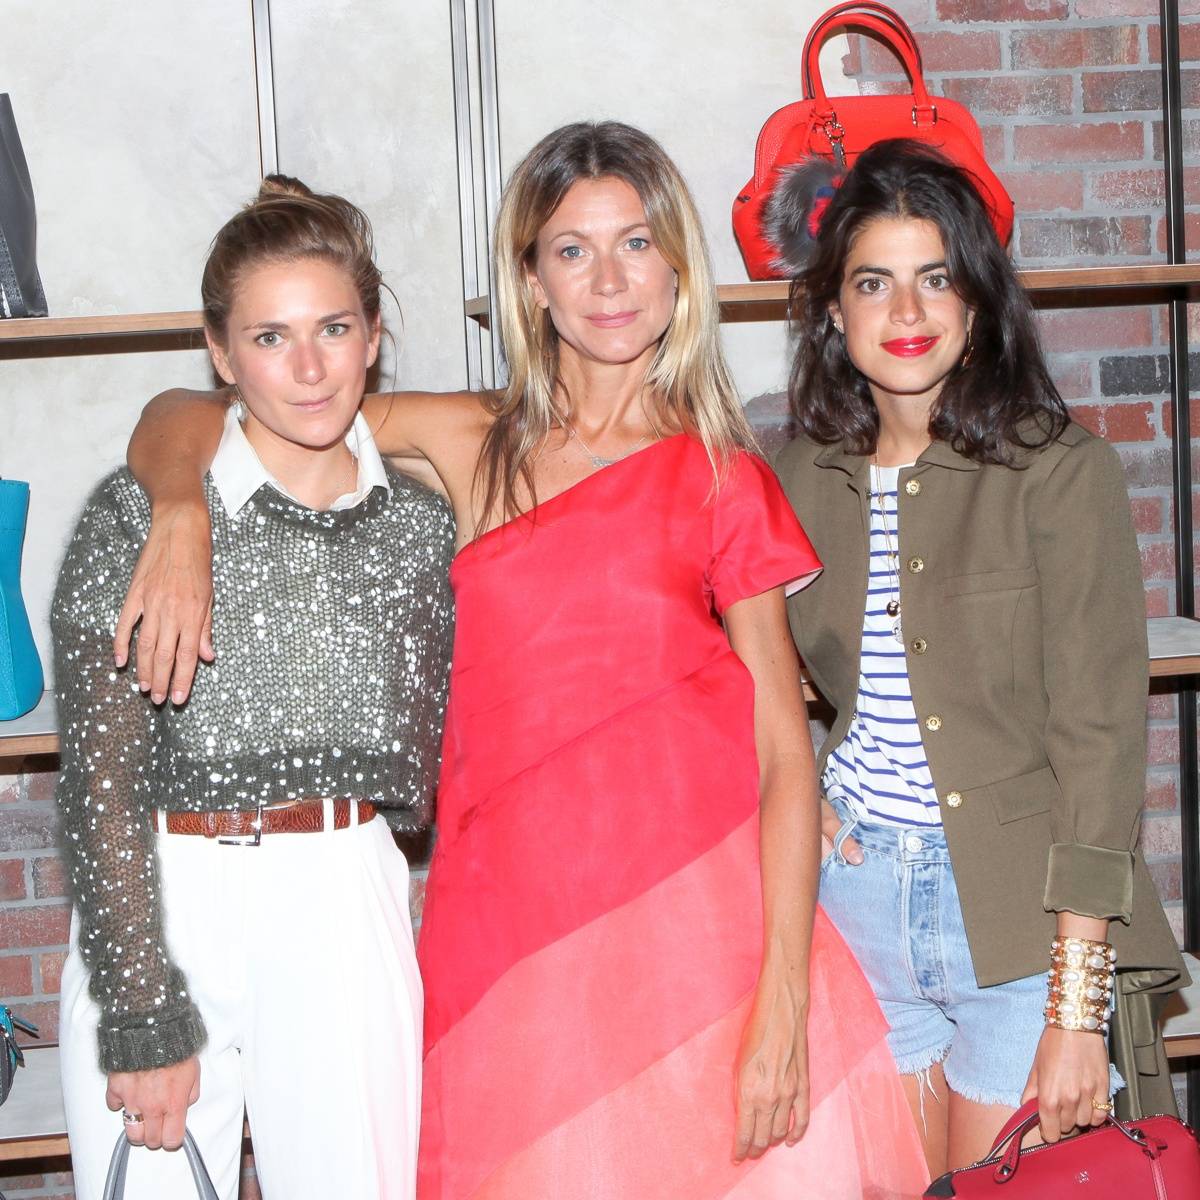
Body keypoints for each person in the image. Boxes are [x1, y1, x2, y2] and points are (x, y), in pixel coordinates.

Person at [115, 123, 929, 1198]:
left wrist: (783, 999)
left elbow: (786, 752)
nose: (609, 282)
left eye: (635, 244)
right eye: (572, 250)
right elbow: (189, 410)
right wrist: (180, 512)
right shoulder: (467, 439)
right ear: (532, 281)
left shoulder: (722, 476)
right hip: (509, 931)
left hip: (699, 935)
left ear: (677, 269)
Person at [771, 138, 1188, 1177]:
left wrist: (1077, 1005)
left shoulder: (1060, 471)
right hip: (855, 901)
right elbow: (730, 662)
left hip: (1017, 919)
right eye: (874, 282)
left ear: (977, 300)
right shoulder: (798, 475)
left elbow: (1100, 743)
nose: (907, 311)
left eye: (936, 277)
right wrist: (791, 789)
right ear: (833, 309)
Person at [52, 176, 454, 1200]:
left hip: (344, 895)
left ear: (373, 337)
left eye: (334, 329)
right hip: (162, 900)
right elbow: (99, 784)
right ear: (222, 356)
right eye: (271, 338)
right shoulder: (136, 519)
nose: (309, 368)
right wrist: (142, 1012)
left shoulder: (422, 532)